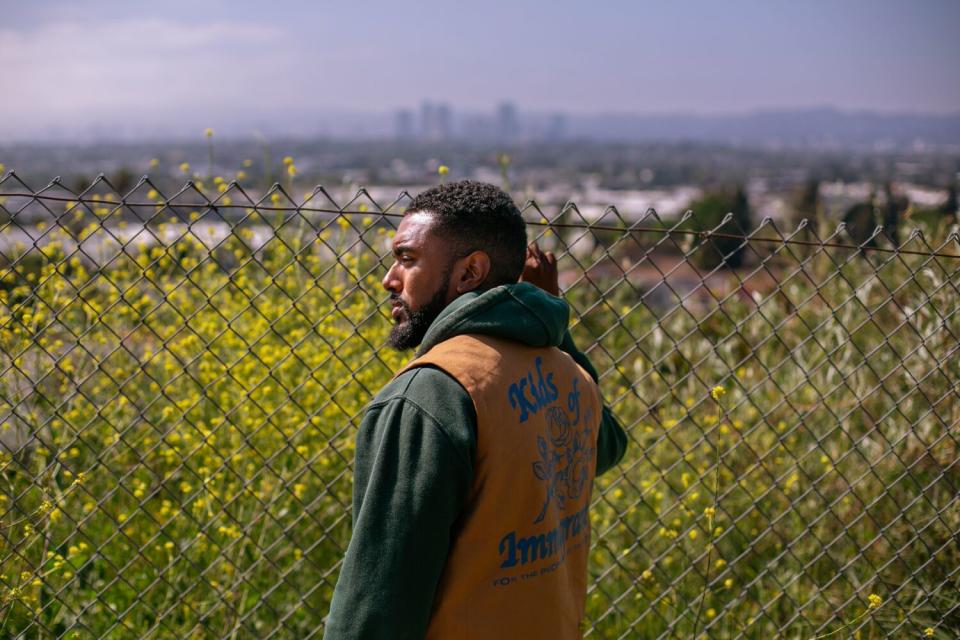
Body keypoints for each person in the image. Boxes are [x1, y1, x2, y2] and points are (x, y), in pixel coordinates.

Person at [323, 180, 627, 639]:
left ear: (471, 272)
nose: (389, 279)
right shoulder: (565, 372)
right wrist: (549, 320)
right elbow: (607, 445)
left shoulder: (431, 394)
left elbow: (379, 601)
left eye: (407, 259)